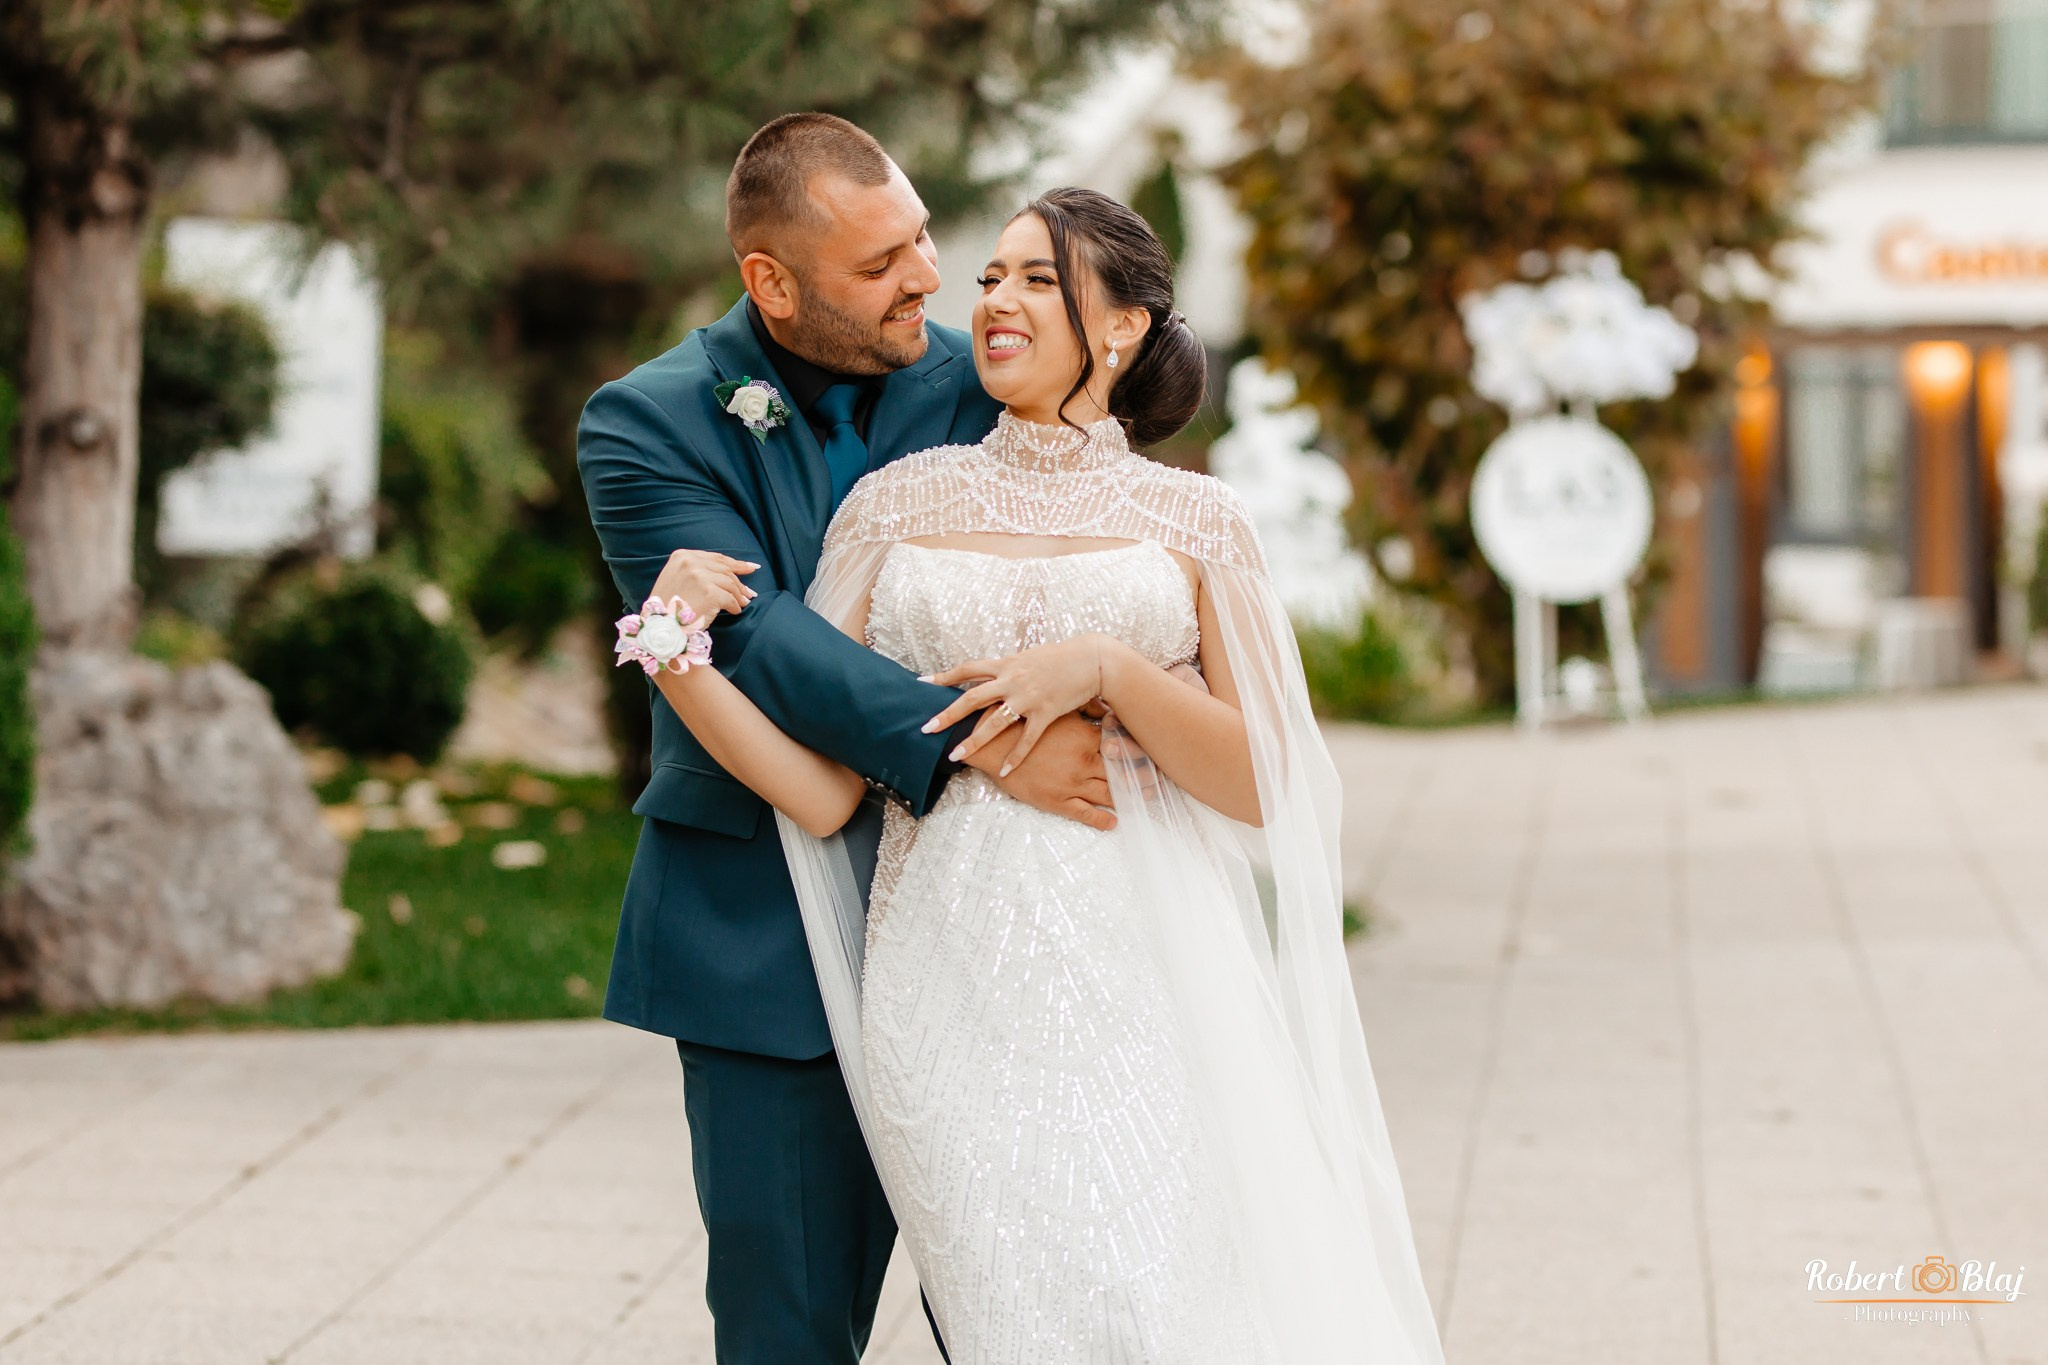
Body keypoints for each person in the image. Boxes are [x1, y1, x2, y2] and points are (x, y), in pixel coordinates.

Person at [643, 185, 1449, 1362]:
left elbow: (1267, 785)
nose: (994, 300)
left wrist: (1111, 668)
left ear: (1121, 325)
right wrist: (674, 659)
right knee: (1006, 1314)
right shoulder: (894, 505)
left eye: (1036, 277)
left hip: (1151, 984)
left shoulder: (1198, 520)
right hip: (941, 986)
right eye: (990, 277)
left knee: (1149, 1307)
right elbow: (820, 790)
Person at [575, 115, 1119, 1364]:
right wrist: (979, 739)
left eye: (924, 237)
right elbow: (750, 633)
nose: (929, 278)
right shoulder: (642, 423)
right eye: (881, 262)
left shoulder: (982, 378)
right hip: (758, 936)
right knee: (786, 1335)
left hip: (1006, 919)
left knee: (1026, 1322)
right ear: (769, 279)